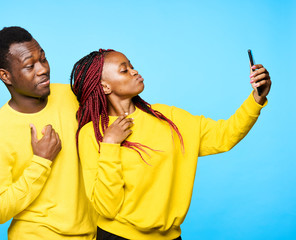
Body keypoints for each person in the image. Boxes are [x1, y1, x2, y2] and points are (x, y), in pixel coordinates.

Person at [70, 49, 271, 240]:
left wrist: (257, 98)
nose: (134, 71)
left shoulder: (169, 118)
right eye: (124, 69)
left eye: (132, 65)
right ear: (105, 86)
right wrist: (111, 145)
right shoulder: (92, 134)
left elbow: (224, 135)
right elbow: (106, 207)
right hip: (117, 236)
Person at [0, 26, 96, 240]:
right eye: (29, 66)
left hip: (91, 233)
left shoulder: (72, 95)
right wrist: (41, 162)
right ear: (6, 76)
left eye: (43, 59)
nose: (43, 69)